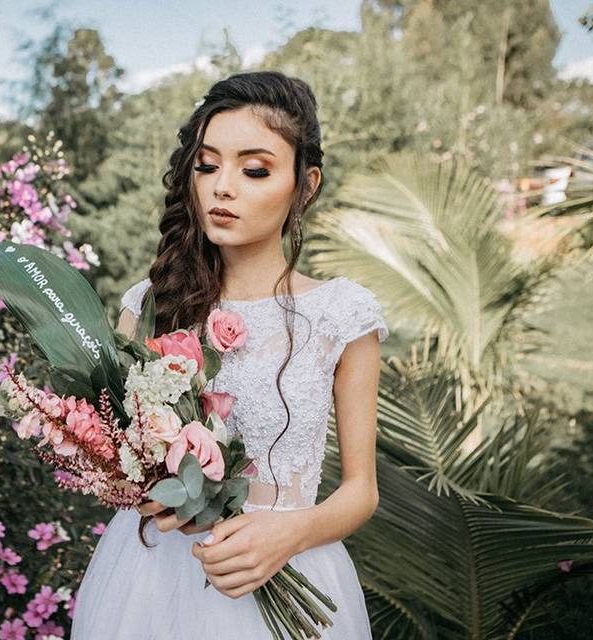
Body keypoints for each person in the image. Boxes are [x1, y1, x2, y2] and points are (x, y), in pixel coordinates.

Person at [70, 70, 388, 639]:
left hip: (292, 562)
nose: (223, 187)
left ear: (305, 184)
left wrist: (289, 533)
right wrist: (151, 496)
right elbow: (123, 456)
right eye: (208, 165)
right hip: (154, 575)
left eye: (255, 169)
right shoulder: (148, 306)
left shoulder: (342, 314)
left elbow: (361, 490)